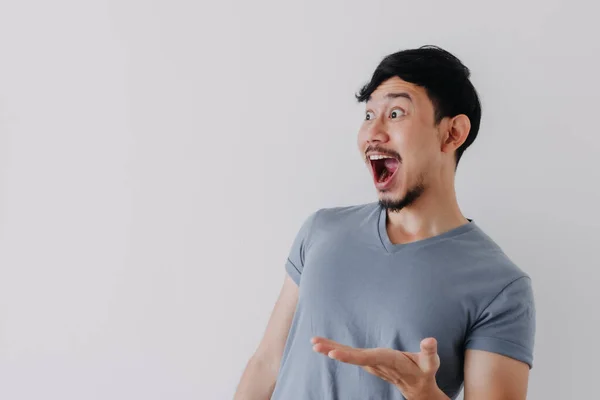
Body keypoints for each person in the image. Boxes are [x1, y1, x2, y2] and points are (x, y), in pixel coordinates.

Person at [233, 45, 536, 400]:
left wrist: (424, 394)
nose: (372, 133)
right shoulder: (320, 231)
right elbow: (267, 363)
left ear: (452, 133)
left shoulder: (500, 286)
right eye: (368, 115)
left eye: (395, 113)